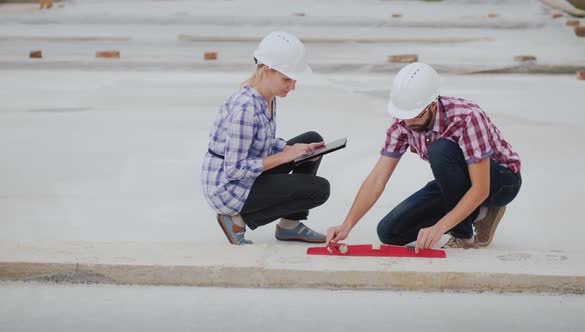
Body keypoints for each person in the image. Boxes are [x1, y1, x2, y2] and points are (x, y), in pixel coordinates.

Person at [326, 62, 522, 251]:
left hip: (500, 181)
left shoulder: (467, 117)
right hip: (455, 182)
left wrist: (440, 227)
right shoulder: (402, 123)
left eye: (416, 115)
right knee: (389, 233)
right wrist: (347, 224)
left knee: (441, 149)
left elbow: (481, 188)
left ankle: (463, 235)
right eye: (405, 115)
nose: (409, 121)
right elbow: (377, 178)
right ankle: (481, 214)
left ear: (433, 103)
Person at [201, 31, 330, 245]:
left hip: (243, 176)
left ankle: (289, 225)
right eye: (286, 79)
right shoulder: (245, 108)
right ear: (267, 71)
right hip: (228, 188)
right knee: (319, 190)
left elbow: (262, 142)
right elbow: (234, 169)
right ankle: (237, 221)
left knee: (311, 140)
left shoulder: (267, 97)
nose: (292, 86)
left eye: (294, 79)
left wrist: (294, 148)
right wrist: (286, 155)